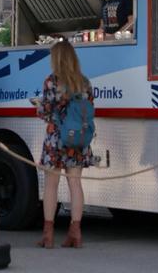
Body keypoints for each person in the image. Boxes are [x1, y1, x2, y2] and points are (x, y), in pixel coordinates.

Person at [35, 41, 95, 249]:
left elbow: (46, 111)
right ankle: (75, 232)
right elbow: (89, 109)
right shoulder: (84, 83)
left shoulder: (51, 82)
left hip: (56, 138)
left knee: (51, 185)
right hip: (77, 140)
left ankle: (48, 235)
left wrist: (39, 106)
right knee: (75, 184)